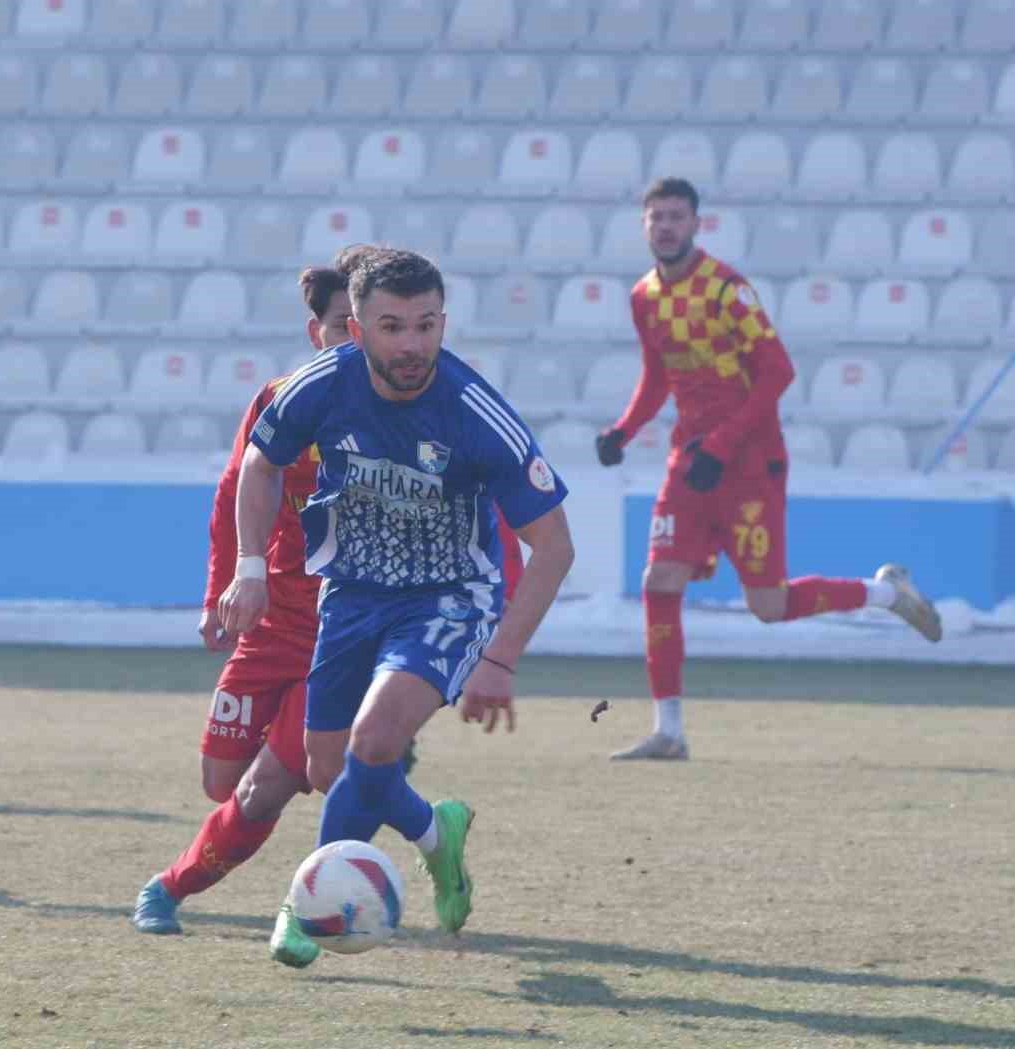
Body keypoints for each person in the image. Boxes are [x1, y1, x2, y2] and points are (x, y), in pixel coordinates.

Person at [219, 249, 575, 967]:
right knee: (328, 767)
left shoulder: (475, 411)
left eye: (426, 324)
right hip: (351, 593)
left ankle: (305, 905)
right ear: (356, 327)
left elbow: (555, 545)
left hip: (449, 597)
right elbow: (259, 463)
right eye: (392, 327)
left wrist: (499, 658)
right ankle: (436, 830)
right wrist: (249, 567)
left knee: (374, 741)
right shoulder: (324, 384)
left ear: (443, 320)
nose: (412, 344)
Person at [595, 178, 941, 762]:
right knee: (660, 582)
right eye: (656, 217)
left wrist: (724, 445)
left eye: (676, 216)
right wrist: (624, 430)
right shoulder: (644, 297)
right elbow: (658, 377)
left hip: (749, 459)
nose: (665, 226)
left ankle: (886, 592)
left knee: (768, 606)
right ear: (644, 225)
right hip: (690, 459)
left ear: (696, 223)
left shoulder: (728, 290)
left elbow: (778, 372)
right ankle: (669, 730)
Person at [130, 258, 356, 939]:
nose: (360, 338)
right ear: (319, 332)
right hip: (269, 626)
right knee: (221, 778)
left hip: (341, 637)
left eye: (367, 325)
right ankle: (380, 779)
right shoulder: (278, 402)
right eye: (345, 325)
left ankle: (165, 888)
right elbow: (233, 493)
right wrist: (221, 590)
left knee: (263, 787)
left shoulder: (399, 417)